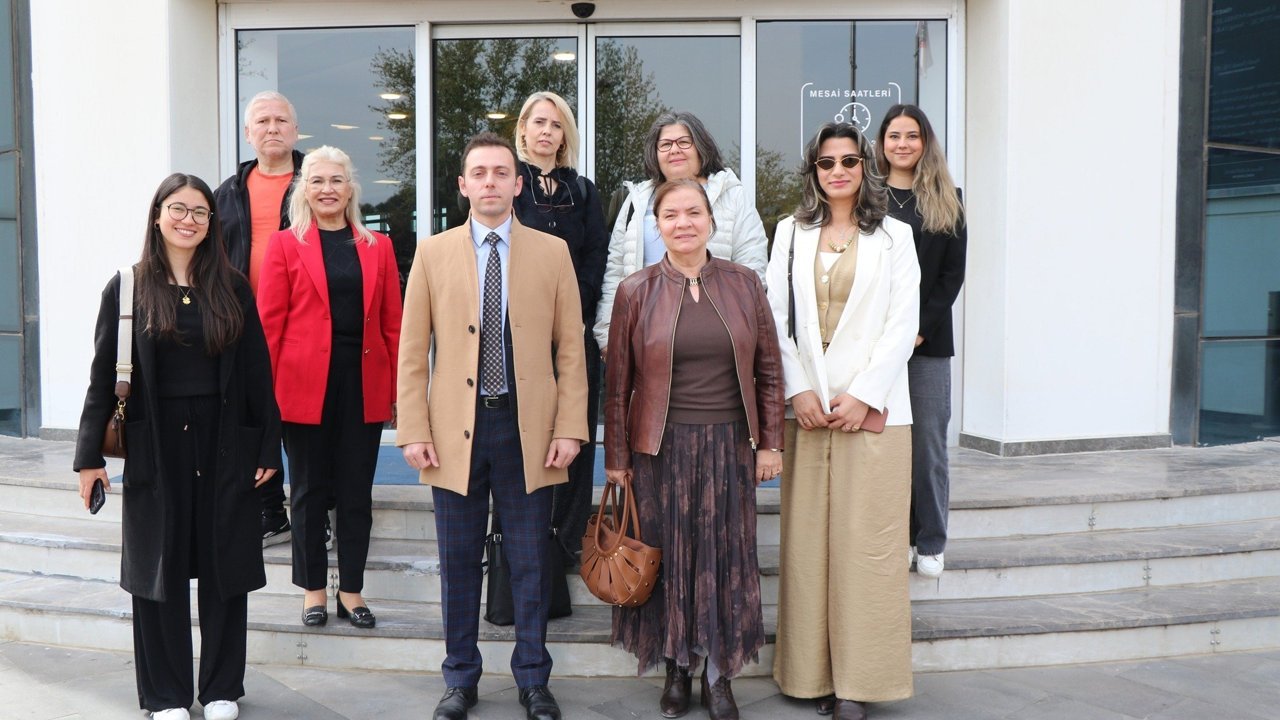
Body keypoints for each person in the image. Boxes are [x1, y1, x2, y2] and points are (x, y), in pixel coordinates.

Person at [74, 173, 282, 720]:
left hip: (224, 440)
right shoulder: (127, 286)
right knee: (157, 569)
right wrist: (89, 459)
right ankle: (165, 694)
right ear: (158, 215)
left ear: (213, 223)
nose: (188, 220)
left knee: (224, 565)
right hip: (156, 442)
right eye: (178, 209)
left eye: (200, 211)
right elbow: (103, 377)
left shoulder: (232, 286)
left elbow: (257, 371)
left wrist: (267, 446)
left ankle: (220, 688)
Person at [398, 132, 588, 720]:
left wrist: (570, 427)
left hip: (527, 430)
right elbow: (412, 351)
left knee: (530, 561)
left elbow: (571, 349)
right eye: (478, 173)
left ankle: (533, 679)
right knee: (458, 562)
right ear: (462, 185)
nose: (489, 182)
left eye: (501, 172)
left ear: (518, 183)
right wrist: (413, 429)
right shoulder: (432, 253)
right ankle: (460, 679)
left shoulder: (552, 253)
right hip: (453, 431)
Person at [605, 178, 784, 720]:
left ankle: (719, 674)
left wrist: (771, 444)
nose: (683, 223)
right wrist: (617, 460)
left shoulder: (744, 283)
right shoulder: (635, 290)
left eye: (693, 213)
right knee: (670, 559)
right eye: (670, 215)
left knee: (725, 560)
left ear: (710, 220)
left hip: (730, 445)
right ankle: (676, 668)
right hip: (660, 449)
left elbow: (769, 369)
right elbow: (617, 385)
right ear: (657, 226)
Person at [765, 122, 920, 720]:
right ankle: (808, 677)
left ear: (865, 168)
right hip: (809, 411)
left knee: (867, 549)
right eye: (826, 162)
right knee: (808, 547)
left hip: (872, 413)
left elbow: (903, 324)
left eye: (849, 161)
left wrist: (863, 395)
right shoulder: (790, 232)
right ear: (814, 170)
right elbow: (773, 319)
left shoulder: (896, 236)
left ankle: (859, 682)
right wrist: (798, 389)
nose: (838, 171)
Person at [256, 145, 402, 630]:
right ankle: (313, 591)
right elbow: (269, 327)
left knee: (357, 493)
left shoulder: (378, 246)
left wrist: (399, 392)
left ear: (350, 188)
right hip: (301, 386)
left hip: (362, 382)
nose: (327, 189)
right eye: (317, 180)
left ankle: (352, 591)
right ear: (304, 190)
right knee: (308, 492)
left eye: (336, 180)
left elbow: (393, 325)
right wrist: (264, 400)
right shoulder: (284, 245)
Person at [511, 91, 608, 557]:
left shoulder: (583, 190)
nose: (547, 131)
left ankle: (566, 544)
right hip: (519, 331)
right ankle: (519, 543)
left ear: (565, 135)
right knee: (522, 436)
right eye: (539, 122)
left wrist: (576, 308)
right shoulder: (508, 183)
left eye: (556, 124)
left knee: (574, 434)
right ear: (523, 129)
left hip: (574, 331)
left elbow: (595, 255)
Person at [876, 104, 967, 578]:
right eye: (894, 135)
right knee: (884, 445)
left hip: (926, 343)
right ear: (882, 143)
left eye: (912, 135)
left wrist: (918, 329)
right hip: (873, 343)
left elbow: (951, 276)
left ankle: (929, 540)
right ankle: (895, 536)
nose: (903, 144)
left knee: (928, 445)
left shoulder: (948, 199)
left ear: (925, 141)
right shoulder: (868, 198)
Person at [594, 110, 768, 356]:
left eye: (684, 142)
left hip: (715, 338)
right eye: (665, 144)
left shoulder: (732, 196)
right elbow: (615, 273)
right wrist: (607, 336)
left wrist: (740, 333)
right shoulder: (637, 201)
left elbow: (753, 268)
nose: (674, 150)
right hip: (644, 338)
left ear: (701, 147)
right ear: (654, 153)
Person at [214, 90, 305, 548]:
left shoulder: (316, 180)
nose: (272, 128)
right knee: (251, 418)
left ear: (296, 130)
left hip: (304, 323)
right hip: (243, 324)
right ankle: (272, 512)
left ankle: (314, 514)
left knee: (303, 423)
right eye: (263, 121)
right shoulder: (226, 194)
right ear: (248, 133)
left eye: (281, 120)